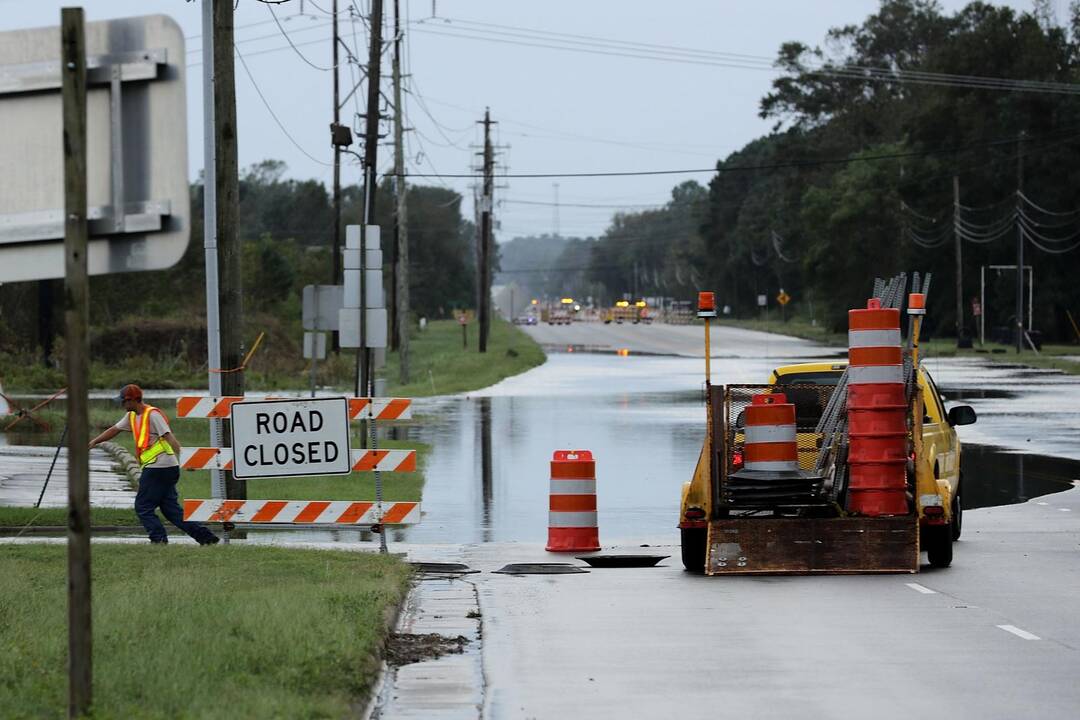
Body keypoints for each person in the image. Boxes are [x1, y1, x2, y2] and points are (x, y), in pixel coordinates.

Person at [89, 384, 219, 545]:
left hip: (160, 468)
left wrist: (186, 459)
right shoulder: (131, 415)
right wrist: (94, 441)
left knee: (143, 507)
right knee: (172, 511)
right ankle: (207, 538)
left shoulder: (152, 414)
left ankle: (158, 540)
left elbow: (169, 437)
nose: (121, 404)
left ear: (132, 400)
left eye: (123, 401)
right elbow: (114, 430)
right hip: (160, 468)